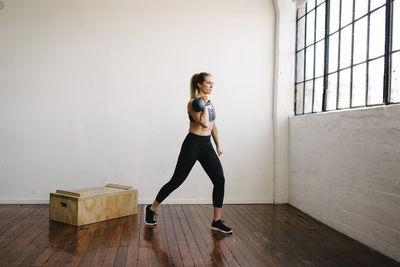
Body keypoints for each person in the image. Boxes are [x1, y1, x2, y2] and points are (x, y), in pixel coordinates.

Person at [144, 72, 232, 234]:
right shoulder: (193, 103)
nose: (212, 86)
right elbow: (204, 123)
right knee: (177, 180)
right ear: (199, 84)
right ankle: (151, 209)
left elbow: (213, 125)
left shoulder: (209, 103)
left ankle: (216, 221)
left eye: (213, 83)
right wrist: (204, 105)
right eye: (208, 83)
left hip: (207, 146)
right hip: (192, 144)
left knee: (219, 180)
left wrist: (218, 145)